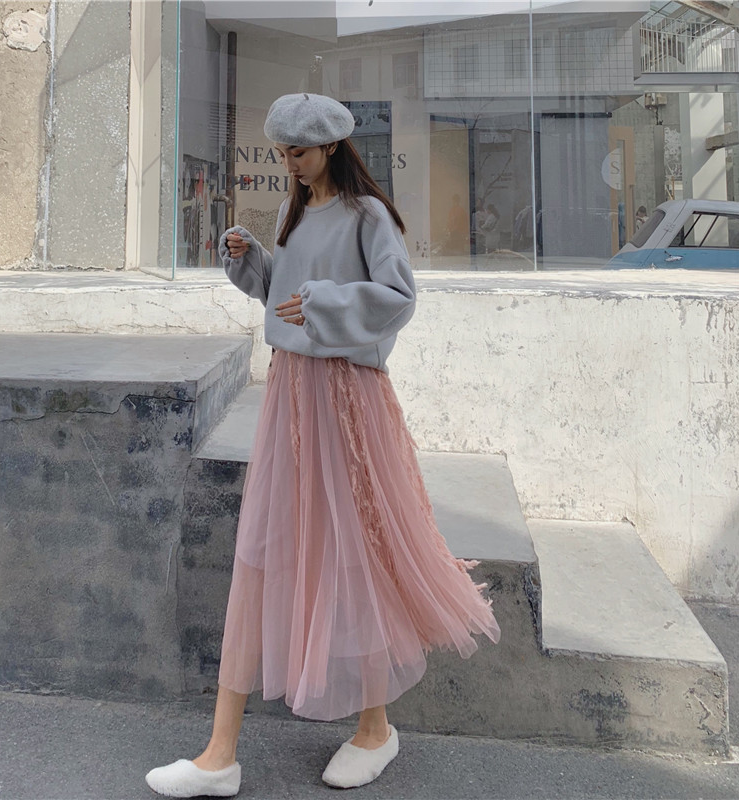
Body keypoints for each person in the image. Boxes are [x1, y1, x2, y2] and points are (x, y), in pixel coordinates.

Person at [144, 93, 501, 799]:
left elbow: (398, 296)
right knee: (265, 544)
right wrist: (251, 261)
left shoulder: (369, 216)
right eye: (283, 152)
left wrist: (326, 302)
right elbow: (284, 295)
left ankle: (374, 728)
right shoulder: (295, 210)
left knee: (353, 547)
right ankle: (220, 754)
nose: (290, 163)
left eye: (299, 152)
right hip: (290, 394)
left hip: (345, 397)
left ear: (332, 146)